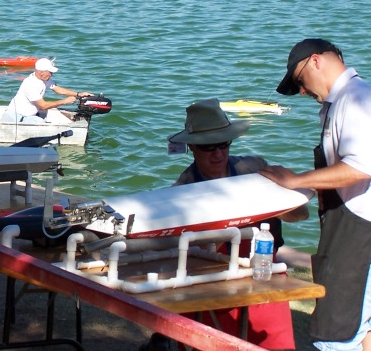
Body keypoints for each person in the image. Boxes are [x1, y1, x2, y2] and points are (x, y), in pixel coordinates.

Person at [141, 98, 308, 351]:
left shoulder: (254, 169)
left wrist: (280, 195)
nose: (218, 154)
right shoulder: (183, 190)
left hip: (263, 271)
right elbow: (177, 252)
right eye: (208, 147)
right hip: (211, 277)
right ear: (192, 147)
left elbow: (301, 214)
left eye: (223, 144)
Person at [260, 38, 371, 351]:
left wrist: (297, 181)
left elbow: (362, 166)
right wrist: (300, 191)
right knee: (361, 326)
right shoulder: (340, 102)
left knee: (336, 334)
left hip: (359, 233)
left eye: (299, 81)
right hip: (348, 228)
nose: (302, 92)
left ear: (316, 61)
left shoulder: (356, 98)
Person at [1, 58, 93, 123]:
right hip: (15, 117)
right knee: (40, 123)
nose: (52, 75)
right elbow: (43, 105)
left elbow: (58, 89)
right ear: (42, 72)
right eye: (50, 72)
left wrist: (79, 94)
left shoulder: (45, 79)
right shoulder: (29, 84)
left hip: (29, 116)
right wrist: (65, 101)